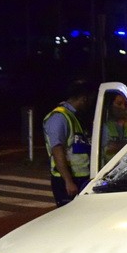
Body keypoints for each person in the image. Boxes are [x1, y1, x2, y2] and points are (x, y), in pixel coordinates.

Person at [43, 79, 93, 207]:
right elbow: (57, 149)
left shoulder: (74, 117)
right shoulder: (59, 117)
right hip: (68, 179)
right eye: (88, 99)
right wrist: (68, 181)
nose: (89, 103)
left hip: (81, 178)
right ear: (83, 98)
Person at [100, 93, 127, 163]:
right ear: (110, 106)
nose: (123, 107)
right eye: (119, 104)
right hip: (110, 169)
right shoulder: (105, 126)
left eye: (126, 104)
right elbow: (109, 148)